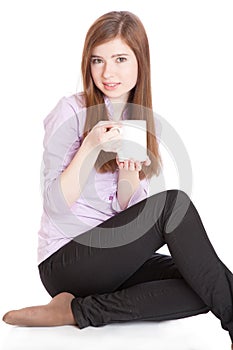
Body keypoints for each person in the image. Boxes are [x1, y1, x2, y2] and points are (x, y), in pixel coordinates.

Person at [2, 10, 233, 348]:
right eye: (98, 60)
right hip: (66, 261)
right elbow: (54, 203)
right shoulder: (70, 111)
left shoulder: (138, 122)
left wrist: (128, 173)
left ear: (140, 62)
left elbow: (130, 216)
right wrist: (90, 147)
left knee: (202, 281)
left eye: (120, 59)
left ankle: (78, 311)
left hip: (113, 259)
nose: (108, 72)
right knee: (174, 204)